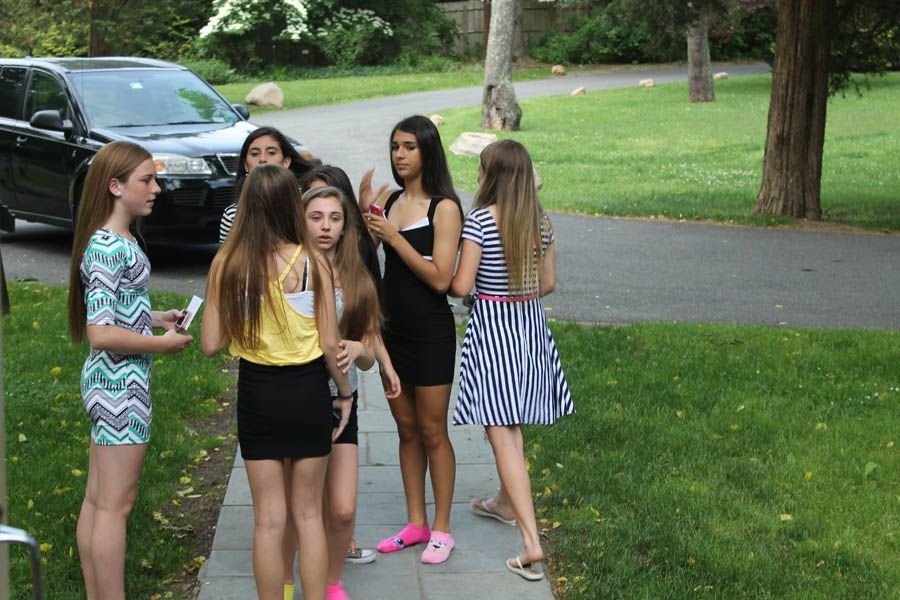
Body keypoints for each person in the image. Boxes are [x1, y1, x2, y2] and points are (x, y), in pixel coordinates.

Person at [201, 164, 353, 600]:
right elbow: (329, 343)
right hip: (306, 392)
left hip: (257, 393)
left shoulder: (228, 263)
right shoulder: (313, 262)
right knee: (308, 516)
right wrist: (344, 395)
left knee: (269, 519)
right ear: (292, 204)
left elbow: (211, 343)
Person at [67, 140, 193, 599]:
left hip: (113, 382)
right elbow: (100, 332)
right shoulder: (107, 247)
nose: (156, 188)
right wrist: (160, 344)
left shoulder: (116, 241)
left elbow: (117, 310)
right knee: (114, 507)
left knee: (100, 501)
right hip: (119, 387)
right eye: (147, 180)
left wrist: (157, 318)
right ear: (116, 186)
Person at [448, 139, 574, 581]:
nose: (477, 177)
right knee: (512, 426)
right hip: (529, 327)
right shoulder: (540, 221)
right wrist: (517, 294)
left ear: (492, 176)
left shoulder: (479, 221)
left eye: (481, 170)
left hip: (493, 329)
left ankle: (530, 543)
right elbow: (550, 282)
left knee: (500, 432)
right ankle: (503, 504)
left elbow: (462, 286)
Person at [361, 115, 462, 564]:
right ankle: (416, 522)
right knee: (405, 430)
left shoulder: (445, 208)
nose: (399, 155)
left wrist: (395, 238)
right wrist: (368, 226)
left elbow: (441, 279)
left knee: (432, 429)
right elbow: (367, 262)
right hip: (392, 332)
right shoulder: (392, 201)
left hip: (431, 333)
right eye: (395, 147)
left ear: (428, 151)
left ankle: (442, 527)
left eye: (409, 147)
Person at [300, 184, 400, 600]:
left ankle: (332, 580)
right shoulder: (292, 267)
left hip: (346, 400)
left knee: (341, 508)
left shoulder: (354, 271)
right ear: (301, 220)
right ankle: (302, 583)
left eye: (335, 218)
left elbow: (365, 348)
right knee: (303, 508)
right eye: (316, 217)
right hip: (300, 396)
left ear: (345, 226)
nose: (326, 226)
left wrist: (366, 350)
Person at [218, 126, 318, 243]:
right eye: (255, 154)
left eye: (271, 152)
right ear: (245, 165)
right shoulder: (233, 215)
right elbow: (226, 259)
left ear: (286, 161)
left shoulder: (305, 204)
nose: (262, 159)